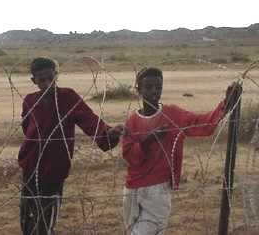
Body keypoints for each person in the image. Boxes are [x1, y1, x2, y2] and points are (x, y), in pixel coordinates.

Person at [122, 67, 240, 235]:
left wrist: (224, 106)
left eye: (158, 87)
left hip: (158, 189)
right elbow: (129, 155)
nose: (154, 92)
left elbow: (203, 124)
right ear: (138, 89)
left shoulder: (173, 115)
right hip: (132, 189)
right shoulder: (132, 121)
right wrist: (150, 139)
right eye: (148, 87)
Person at [19, 57, 124, 235]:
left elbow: (88, 119)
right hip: (30, 166)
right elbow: (26, 127)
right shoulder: (30, 100)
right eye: (41, 80)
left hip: (54, 168)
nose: (46, 84)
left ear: (56, 76)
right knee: (27, 219)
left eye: (50, 78)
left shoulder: (67, 97)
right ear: (33, 81)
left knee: (46, 221)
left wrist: (107, 132)